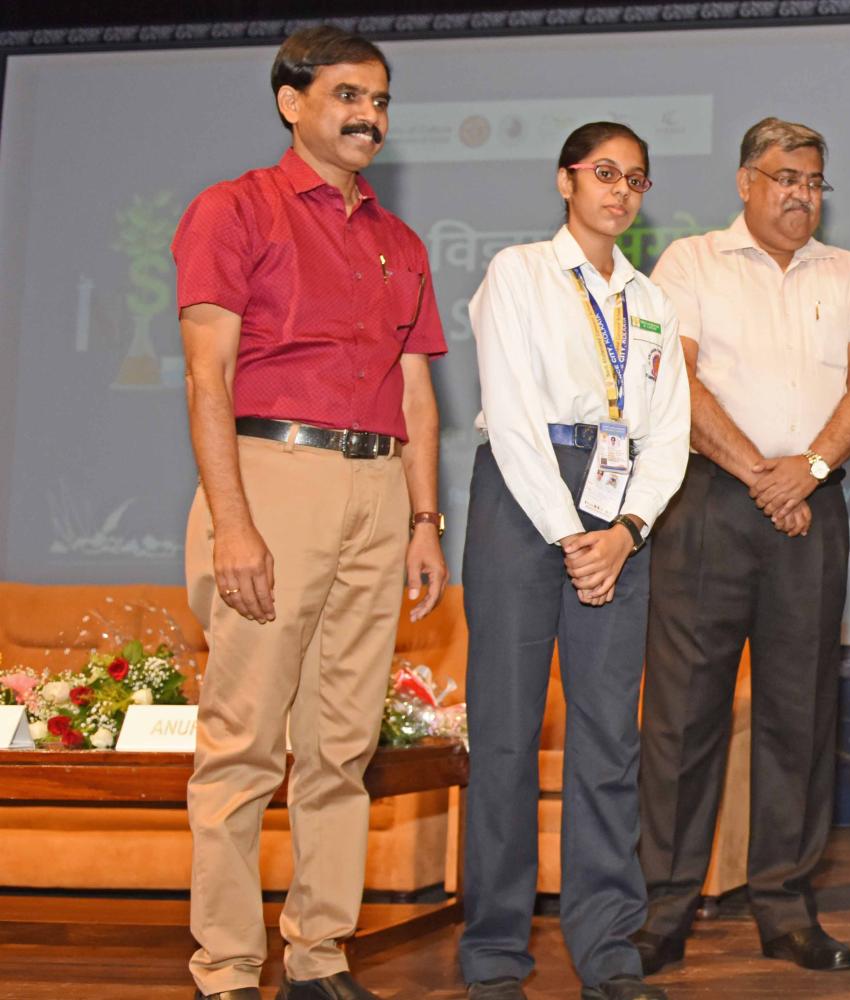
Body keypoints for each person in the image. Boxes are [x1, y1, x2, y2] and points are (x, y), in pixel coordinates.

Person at [172, 26, 447, 1000]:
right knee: (244, 741)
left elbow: (417, 397)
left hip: (378, 490)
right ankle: (226, 966)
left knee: (342, 745)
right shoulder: (235, 208)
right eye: (347, 95)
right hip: (270, 476)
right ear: (292, 103)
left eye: (380, 99)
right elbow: (207, 376)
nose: (369, 115)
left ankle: (319, 955)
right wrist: (234, 521)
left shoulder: (399, 241)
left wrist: (424, 521)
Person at [633, 117, 850, 973]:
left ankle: (784, 903)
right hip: (710, 500)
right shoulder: (691, 262)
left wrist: (807, 471)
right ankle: (663, 907)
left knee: (799, 710)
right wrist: (761, 476)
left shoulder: (848, 271)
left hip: (811, 502)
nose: (801, 195)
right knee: (683, 714)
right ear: (746, 182)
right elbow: (676, 378)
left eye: (814, 182)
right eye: (786, 178)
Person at [456, 122, 689, 1000]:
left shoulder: (653, 299)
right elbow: (512, 418)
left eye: (635, 178)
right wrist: (568, 534)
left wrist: (625, 529)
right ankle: (493, 955)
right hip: (524, 503)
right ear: (566, 181)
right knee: (507, 736)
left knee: (609, 740)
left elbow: (670, 433)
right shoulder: (518, 272)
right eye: (603, 173)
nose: (620, 190)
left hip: (618, 508)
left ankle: (609, 951)